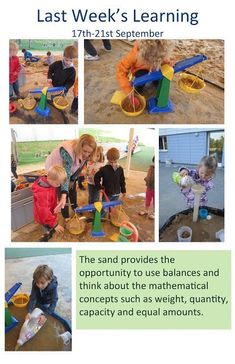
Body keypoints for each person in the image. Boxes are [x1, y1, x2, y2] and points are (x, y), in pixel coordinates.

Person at [45, 134, 97, 219]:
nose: (86, 154)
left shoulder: (88, 154)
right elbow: (66, 173)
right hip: (57, 171)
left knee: (73, 190)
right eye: (84, 151)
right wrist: (64, 194)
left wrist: (73, 180)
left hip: (68, 170)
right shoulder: (68, 151)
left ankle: (75, 208)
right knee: (62, 195)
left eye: (89, 152)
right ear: (80, 147)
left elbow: (79, 167)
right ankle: (66, 216)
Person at [116, 40, 174, 105]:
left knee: (160, 78)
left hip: (155, 69)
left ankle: (156, 83)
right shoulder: (134, 54)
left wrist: (168, 63)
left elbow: (165, 60)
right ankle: (139, 87)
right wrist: (128, 90)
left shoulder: (160, 50)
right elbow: (121, 71)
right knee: (140, 79)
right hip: (141, 70)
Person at [31, 165, 67, 242]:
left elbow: (51, 197)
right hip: (44, 217)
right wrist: (55, 225)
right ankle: (46, 237)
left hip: (49, 212)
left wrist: (55, 202)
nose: (59, 185)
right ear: (50, 179)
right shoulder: (43, 193)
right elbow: (44, 212)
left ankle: (50, 230)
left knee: (49, 226)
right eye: (58, 183)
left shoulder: (49, 183)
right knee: (47, 227)